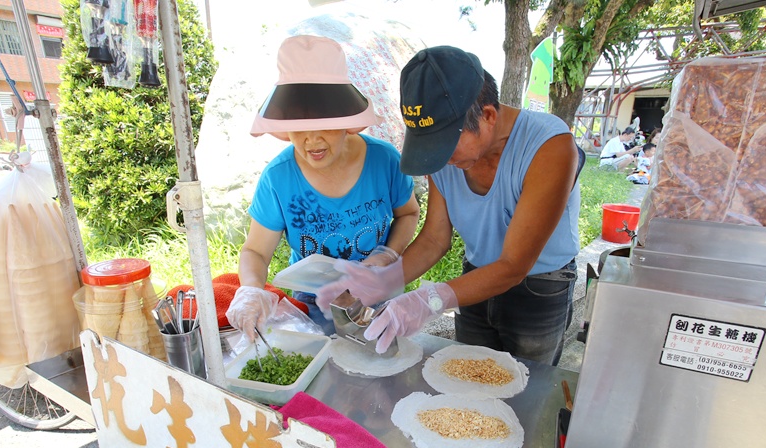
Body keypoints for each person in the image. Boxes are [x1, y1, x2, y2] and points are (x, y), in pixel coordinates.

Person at [317, 46, 581, 365]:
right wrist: (384, 279)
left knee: (529, 385)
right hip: (473, 279)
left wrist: (431, 298)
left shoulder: (550, 147)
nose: (441, 160)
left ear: (488, 116)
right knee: (468, 379)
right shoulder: (443, 159)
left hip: (539, 287)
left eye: (445, 146)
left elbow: (514, 264)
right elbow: (434, 239)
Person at [227, 35, 420, 339]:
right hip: (312, 300)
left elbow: (409, 214)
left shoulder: (384, 161)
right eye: (300, 129)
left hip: (378, 290)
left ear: (347, 121)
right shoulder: (279, 178)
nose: (312, 141)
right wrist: (250, 290)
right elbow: (255, 251)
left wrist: (386, 255)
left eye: (326, 126)